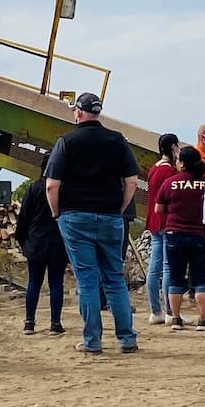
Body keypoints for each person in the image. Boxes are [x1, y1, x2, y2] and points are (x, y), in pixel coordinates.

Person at [45, 93, 141, 356]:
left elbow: (52, 184)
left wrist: (57, 213)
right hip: (110, 216)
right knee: (114, 279)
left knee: (87, 280)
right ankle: (127, 338)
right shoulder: (117, 140)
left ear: (78, 113)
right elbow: (132, 181)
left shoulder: (66, 142)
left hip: (75, 216)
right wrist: (119, 209)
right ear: (98, 112)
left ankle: (92, 341)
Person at [156, 144, 205, 328]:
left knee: (175, 278)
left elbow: (159, 208)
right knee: (201, 279)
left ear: (181, 163)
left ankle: (176, 318)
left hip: (174, 234)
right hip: (199, 235)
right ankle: (203, 320)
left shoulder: (171, 182)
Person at [14, 169, 70, 334]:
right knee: (56, 283)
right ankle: (55, 324)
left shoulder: (34, 188)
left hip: (35, 242)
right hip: (58, 242)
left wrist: (23, 241)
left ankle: (29, 323)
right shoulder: (65, 189)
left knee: (33, 282)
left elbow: (24, 217)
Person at [144, 133, 180, 325]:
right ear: (173, 147)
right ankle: (170, 311)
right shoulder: (169, 171)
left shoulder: (154, 168)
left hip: (153, 220)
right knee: (167, 267)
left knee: (154, 267)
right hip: (166, 220)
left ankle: (155, 310)